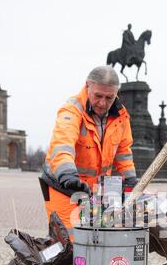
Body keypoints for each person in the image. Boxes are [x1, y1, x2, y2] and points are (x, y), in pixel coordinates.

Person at [41, 66, 137, 238]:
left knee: (96, 240)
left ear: (117, 93)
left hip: (94, 191)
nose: (103, 103)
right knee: (69, 241)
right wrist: (68, 174)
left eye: (109, 97)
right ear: (87, 86)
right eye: (98, 96)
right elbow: (62, 144)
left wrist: (129, 179)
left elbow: (123, 152)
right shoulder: (72, 110)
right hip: (63, 186)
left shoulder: (121, 117)